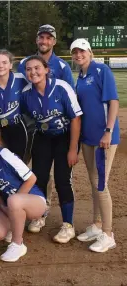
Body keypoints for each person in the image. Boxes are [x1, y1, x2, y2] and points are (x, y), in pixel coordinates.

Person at [21, 55, 82, 243]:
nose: (33, 72)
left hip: (64, 137)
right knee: (39, 178)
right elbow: (23, 117)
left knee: (63, 179)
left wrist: (72, 149)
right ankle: (40, 214)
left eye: (37, 68)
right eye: (29, 69)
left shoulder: (62, 87)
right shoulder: (26, 93)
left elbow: (75, 118)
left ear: (47, 69)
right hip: (43, 138)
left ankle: (68, 225)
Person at [70, 38, 120, 252]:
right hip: (88, 138)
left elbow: (114, 102)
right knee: (93, 182)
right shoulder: (80, 77)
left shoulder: (101, 71)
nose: (78, 55)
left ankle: (108, 234)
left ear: (89, 52)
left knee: (100, 184)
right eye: (75, 52)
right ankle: (97, 225)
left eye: (82, 51)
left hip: (103, 138)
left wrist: (108, 131)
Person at [0, 123, 46, 262]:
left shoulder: (5, 154)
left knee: (14, 200)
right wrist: (3, 207)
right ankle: (15, 223)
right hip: (11, 205)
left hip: (34, 200)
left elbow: (32, 179)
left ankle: (17, 244)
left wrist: (13, 201)